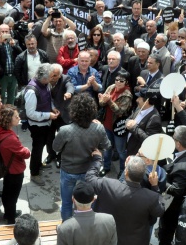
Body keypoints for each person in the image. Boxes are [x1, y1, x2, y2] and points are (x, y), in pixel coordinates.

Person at [85, 152, 164, 245]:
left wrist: (97, 159)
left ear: (126, 172)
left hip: (109, 243)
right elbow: (159, 210)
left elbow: (90, 178)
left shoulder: (108, 185)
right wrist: (155, 186)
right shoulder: (151, 197)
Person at [53, 93, 110, 221]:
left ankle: (66, 226)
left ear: (73, 111)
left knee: (66, 203)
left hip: (68, 171)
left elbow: (55, 148)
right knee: (88, 202)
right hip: (88, 171)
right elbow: (106, 145)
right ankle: (87, 223)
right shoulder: (98, 128)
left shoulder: (65, 130)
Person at [0, 105, 31, 224]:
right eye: (16, 116)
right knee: (12, 197)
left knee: (7, 193)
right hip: (15, 170)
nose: (19, 118)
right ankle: (11, 219)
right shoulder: (10, 138)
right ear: (8, 120)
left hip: (7, 168)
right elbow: (25, 154)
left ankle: (8, 214)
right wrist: (26, 149)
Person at [23, 63, 59, 186]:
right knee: (37, 149)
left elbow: (48, 99)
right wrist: (48, 115)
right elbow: (30, 113)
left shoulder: (46, 84)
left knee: (42, 145)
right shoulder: (32, 91)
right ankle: (34, 173)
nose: (53, 79)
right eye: (51, 76)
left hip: (46, 123)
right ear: (44, 77)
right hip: (37, 126)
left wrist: (53, 108)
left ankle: (38, 164)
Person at [97, 69, 133, 177]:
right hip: (107, 124)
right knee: (107, 148)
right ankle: (106, 167)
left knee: (121, 151)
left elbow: (120, 111)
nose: (118, 82)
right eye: (117, 79)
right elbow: (101, 103)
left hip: (118, 127)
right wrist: (102, 100)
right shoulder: (111, 87)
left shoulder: (127, 95)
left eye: (121, 81)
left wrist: (109, 101)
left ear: (126, 82)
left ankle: (122, 170)